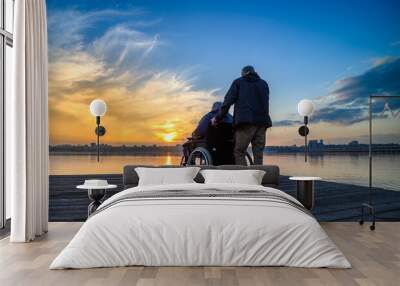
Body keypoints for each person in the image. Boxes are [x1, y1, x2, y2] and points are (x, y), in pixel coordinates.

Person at [212, 65, 272, 165]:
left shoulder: (239, 82)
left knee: (239, 151)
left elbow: (228, 101)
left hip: (245, 123)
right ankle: (258, 178)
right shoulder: (264, 84)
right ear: (253, 72)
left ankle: (243, 178)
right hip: (262, 123)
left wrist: (217, 118)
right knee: (258, 153)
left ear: (244, 73)